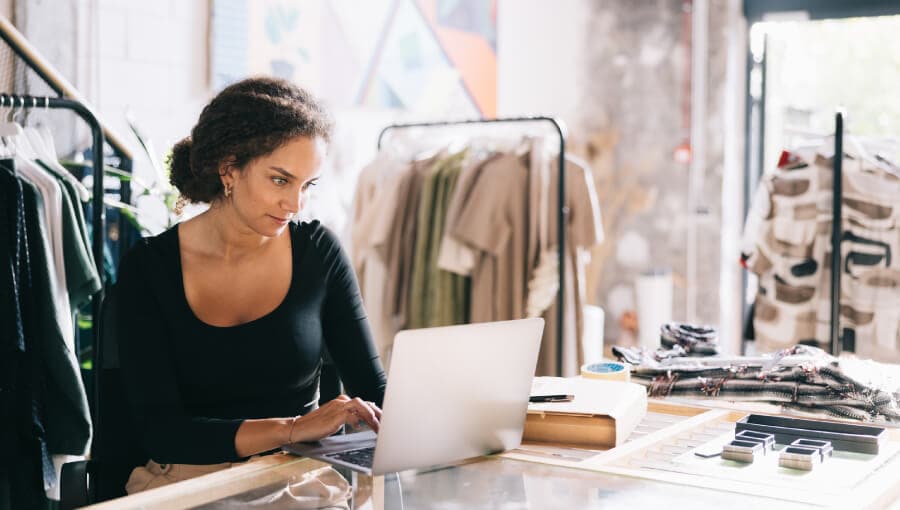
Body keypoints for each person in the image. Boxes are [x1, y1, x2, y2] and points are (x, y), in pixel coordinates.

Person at [116, 77, 387, 486]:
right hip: (187, 484)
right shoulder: (149, 268)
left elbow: (374, 392)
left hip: (293, 482)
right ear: (229, 168)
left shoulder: (318, 253)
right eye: (280, 180)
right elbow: (162, 432)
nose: (295, 204)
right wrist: (292, 429)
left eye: (307, 185)